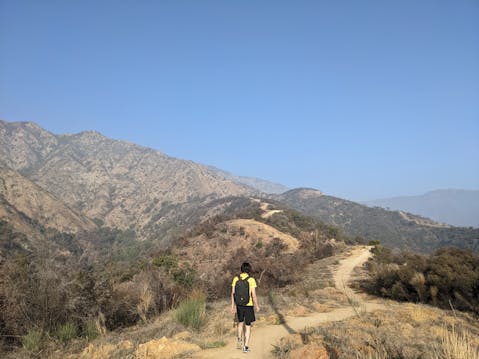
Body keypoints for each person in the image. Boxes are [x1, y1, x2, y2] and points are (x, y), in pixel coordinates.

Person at [230, 262, 261, 353]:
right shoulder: (251, 280)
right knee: (247, 326)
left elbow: (233, 293)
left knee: (240, 323)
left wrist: (232, 305)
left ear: (241, 269)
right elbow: (253, 295)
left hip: (239, 305)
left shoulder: (236, 278)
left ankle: (239, 340)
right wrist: (257, 305)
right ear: (249, 269)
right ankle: (246, 346)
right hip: (248, 305)